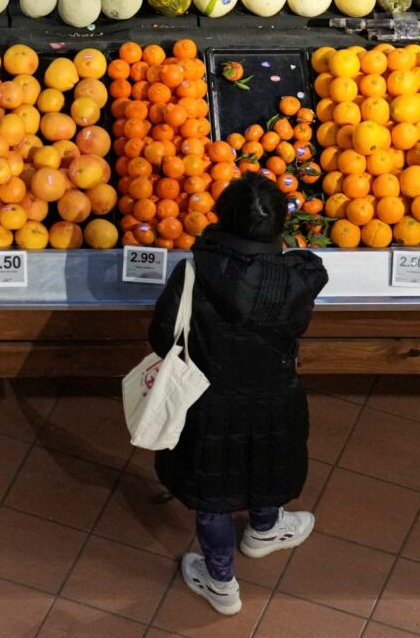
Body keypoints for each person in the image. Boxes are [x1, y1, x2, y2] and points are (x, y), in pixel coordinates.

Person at [148, 172, 329, 616]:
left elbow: (162, 336)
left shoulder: (194, 271)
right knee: (268, 461)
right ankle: (265, 529)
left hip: (207, 403)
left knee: (213, 494)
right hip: (275, 398)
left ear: (222, 219)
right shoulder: (299, 278)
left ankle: (221, 584)